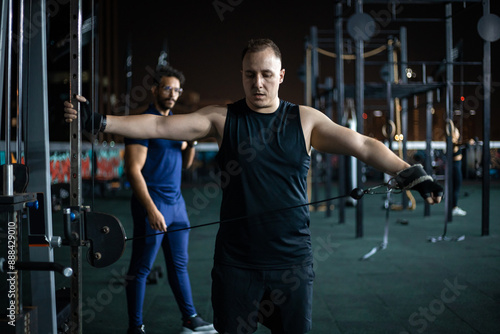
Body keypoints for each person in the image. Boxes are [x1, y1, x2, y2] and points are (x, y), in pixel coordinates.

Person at [64, 38, 443, 334]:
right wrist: (98, 120)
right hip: (236, 265)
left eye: (265, 74)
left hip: (291, 262)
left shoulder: (305, 121)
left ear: (280, 75)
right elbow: (160, 127)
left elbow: (362, 144)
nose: (257, 82)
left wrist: (411, 171)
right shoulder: (222, 118)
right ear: (242, 75)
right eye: (249, 74)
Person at [119, 65, 215, 334]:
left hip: (177, 205)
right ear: (155, 90)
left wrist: (193, 141)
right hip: (153, 204)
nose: (173, 94)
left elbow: (186, 163)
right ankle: (135, 327)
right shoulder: (143, 124)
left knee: (179, 265)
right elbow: (132, 170)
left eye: (177, 89)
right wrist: (150, 209)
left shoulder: (176, 123)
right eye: (167, 88)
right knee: (141, 268)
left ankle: (190, 319)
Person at [451, 127, 466, 216]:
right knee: (456, 188)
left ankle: (453, 207)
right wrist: (468, 142)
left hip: (457, 166)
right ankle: (454, 208)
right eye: (457, 131)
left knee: (455, 188)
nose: (458, 133)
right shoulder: (454, 144)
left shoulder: (455, 143)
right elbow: (458, 144)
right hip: (456, 167)